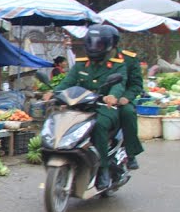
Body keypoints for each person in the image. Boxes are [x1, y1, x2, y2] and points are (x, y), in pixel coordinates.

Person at [52, 25, 125, 190]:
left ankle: (104, 169)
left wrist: (112, 96)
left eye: (99, 45)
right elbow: (67, 82)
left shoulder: (117, 66)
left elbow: (119, 86)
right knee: (62, 119)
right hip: (81, 107)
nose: (94, 48)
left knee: (99, 126)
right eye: (92, 43)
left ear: (108, 46)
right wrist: (54, 93)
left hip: (104, 108)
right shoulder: (80, 65)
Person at [107, 28, 144, 170]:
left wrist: (126, 98)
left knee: (127, 113)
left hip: (122, 100)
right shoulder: (94, 59)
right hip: (100, 98)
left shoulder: (129, 59)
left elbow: (136, 84)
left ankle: (131, 153)